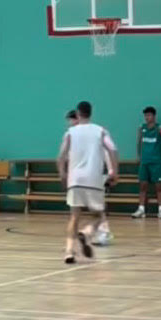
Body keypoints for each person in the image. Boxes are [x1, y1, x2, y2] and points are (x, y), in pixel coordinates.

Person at [57, 101, 118, 263]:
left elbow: (61, 156)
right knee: (98, 215)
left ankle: (69, 252)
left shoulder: (70, 133)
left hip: (75, 179)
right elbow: (112, 149)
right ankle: (87, 232)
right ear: (91, 113)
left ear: (78, 114)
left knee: (74, 217)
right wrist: (114, 172)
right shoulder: (100, 131)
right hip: (93, 179)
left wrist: (62, 175)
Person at [67, 108, 113, 246]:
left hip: (95, 175)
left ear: (78, 118)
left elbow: (108, 151)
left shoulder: (95, 132)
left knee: (97, 208)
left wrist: (111, 170)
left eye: (72, 120)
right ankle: (92, 232)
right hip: (80, 178)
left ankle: (103, 232)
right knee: (86, 210)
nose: (70, 123)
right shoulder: (74, 134)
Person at [132, 106, 161, 219]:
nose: (147, 117)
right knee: (142, 185)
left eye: (149, 115)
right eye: (145, 115)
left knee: (159, 186)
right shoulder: (142, 128)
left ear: (154, 116)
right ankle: (141, 209)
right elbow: (139, 142)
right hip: (144, 162)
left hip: (156, 162)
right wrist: (139, 156)